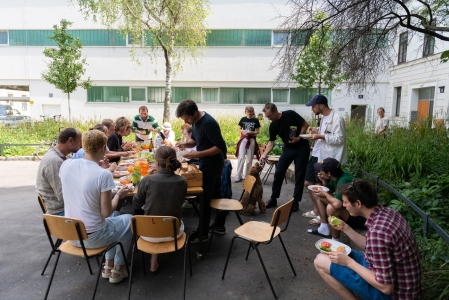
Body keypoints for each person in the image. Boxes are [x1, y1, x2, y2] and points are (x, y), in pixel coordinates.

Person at [314, 179, 422, 300]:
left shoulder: (378, 232)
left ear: (358, 204)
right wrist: (345, 228)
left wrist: (349, 263)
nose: (343, 206)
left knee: (320, 261)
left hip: (395, 295)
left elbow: (386, 287)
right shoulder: (389, 212)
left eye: (345, 202)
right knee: (328, 255)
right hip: (394, 280)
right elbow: (371, 246)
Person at [59, 130, 133, 284]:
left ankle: (108, 265)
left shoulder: (66, 164)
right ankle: (118, 268)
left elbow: (82, 180)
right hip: (92, 237)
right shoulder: (103, 175)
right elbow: (106, 212)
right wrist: (119, 195)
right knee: (130, 220)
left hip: (71, 233)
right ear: (102, 147)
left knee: (116, 217)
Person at [175, 99, 227, 242]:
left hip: (212, 164)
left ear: (194, 112)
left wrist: (198, 154)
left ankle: (202, 234)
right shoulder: (196, 122)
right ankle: (220, 225)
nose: (187, 121)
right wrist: (185, 144)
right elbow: (196, 141)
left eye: (187, 118)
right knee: (216, 195)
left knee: (204, 199)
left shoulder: (208, 123)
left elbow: (220, 146)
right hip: (206, 162)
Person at [132, 146, 187, 273]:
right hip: (173, 232)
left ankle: (153, 260)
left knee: (153, 217)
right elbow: (180, 201)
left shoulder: (147, 180)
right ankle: (154, 260)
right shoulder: (182, 181)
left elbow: (136, 203)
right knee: (167, 215)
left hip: (148, 234)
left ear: (156, 163)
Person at [259, 102, 309, 212]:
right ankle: (273, 198)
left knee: (299, 175)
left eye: (270, 116)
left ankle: (295, 201)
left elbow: (305, 124)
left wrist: (299, 138)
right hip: (288, 149)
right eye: (267, 116)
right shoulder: (273, 125)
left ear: (275, 111)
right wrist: (263, 155)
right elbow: (271, 143)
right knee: (278, 172)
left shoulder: (290, 114)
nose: (269, 118)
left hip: (301, 148)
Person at [303, 94, 347, 219]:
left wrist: (320, 136)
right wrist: (317, 130)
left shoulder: (337, 118)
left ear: (321, 105)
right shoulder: (323, 118)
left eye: (313, 106)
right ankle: (317, 209)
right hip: (316, 153)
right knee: (308, 182)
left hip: (326, 157)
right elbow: (326, 132)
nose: (312, 108)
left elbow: (340, 139)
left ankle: (323, 214)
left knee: (321, 185)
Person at [307, 158, 366, 239]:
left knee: (331, 208)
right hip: (350, 209)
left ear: (329, 173)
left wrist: (324, 194)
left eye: (321, 170)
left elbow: (337, 204)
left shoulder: (343, 180)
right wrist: (324, 181)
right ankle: (324, 228)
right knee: (317, 194)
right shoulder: (337, 175)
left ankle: (335, 240)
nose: (319, 172)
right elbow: (330, 189)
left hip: (357, 217)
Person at [36, 128, 82, 216]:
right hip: (61, 212)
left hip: (63, 209)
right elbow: (63, 196)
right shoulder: (55, 161)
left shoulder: (58, 156)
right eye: (79, 141)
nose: (81, 145)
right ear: (70, 140)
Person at [235, 106, 261, 183]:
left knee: (249, 158)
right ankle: (238, 175)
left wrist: (251, 132)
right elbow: (239, 128)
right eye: (248, 111)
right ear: (245, 112)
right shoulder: (243, 119)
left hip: (252, 139)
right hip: (243, 139)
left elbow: (258, 131)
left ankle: (246, 175)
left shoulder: (256, 120)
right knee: (241, 158)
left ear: (252, 112)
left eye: (250, 112)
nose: (249, 113)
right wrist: (243, 131)